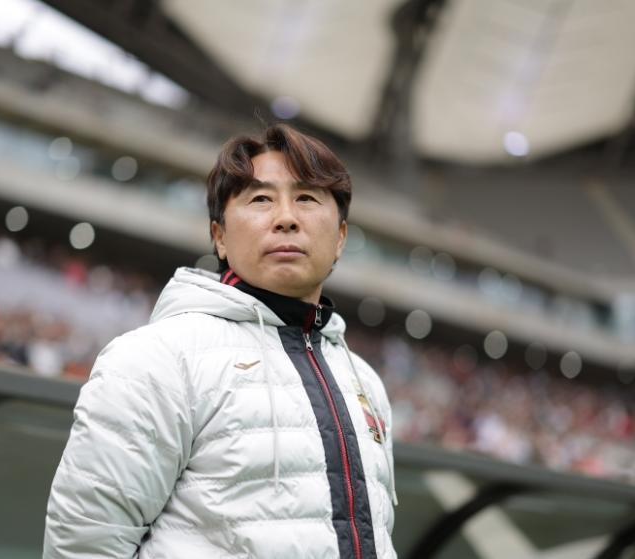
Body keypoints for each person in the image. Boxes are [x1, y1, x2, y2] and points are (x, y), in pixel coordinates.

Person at [44, 124, 397, 558]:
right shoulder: (156, 359)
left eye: (307, 198)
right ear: (220, 237)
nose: (286, 217)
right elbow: (83, 544)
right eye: (261, 199)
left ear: (340, 238)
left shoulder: (364, 381)